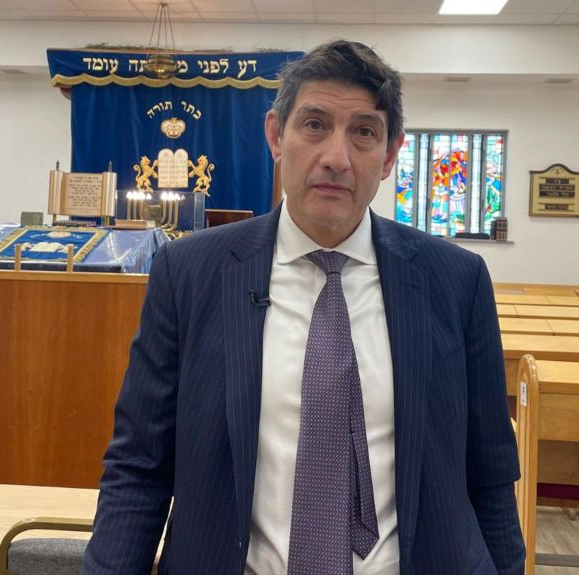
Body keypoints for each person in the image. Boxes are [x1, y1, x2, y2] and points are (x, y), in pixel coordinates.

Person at [83, 40, 525, 575]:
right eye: (315, 124)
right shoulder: (190, 273)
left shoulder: (455, 281)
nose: (336, 157)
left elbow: (490, 476)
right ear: (276, 135)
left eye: (363, 132)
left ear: (389, 156)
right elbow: (139, 468)